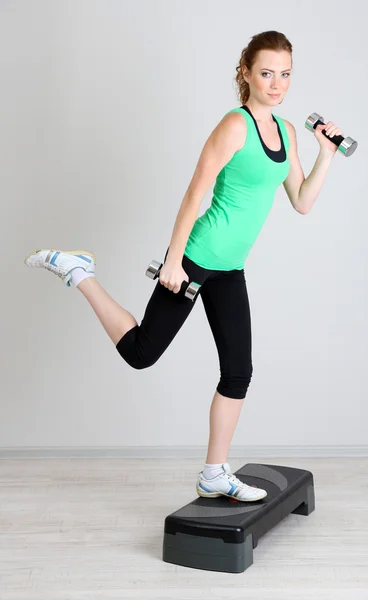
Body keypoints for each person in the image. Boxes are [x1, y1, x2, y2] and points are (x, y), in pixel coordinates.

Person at [24, 31, 343, 502]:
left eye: (286, 74)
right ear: (247, 74)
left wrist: (326, 155)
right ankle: (79, 273)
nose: (278, 84)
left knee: (238, 371)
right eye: (268, 73)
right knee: (141, 353)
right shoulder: (235, 126)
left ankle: (214, 473)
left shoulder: (289, 131)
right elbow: (196, 192)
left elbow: (301, 201)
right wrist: (174, 260)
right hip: (197, 257)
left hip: (230, 268)